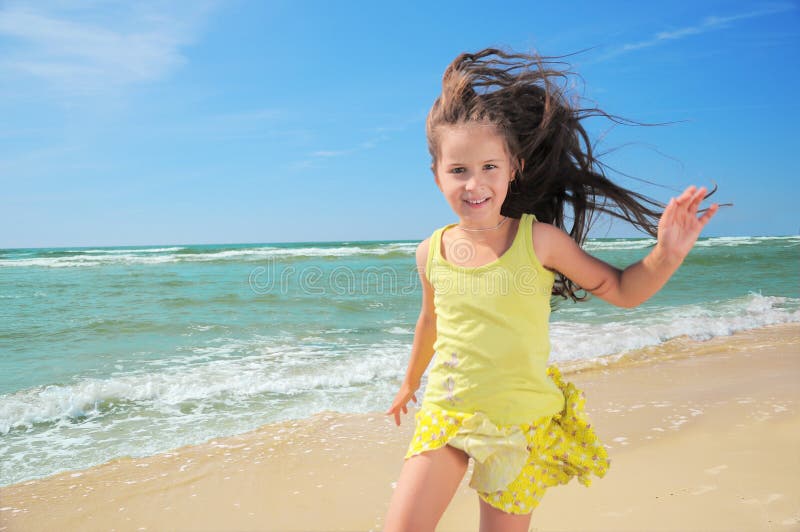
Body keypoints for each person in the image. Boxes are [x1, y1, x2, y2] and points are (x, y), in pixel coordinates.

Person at [382, 48, 720, 532]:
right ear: (436, 174)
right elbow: (431, 322)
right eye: (458, 170)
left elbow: (622, 290)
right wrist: (409, 382)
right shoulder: (429, 251)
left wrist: (666, 255)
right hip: (448, 414)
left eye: (489, 167)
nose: (474, 183)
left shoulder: (538, 241)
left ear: (514, 167)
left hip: (522, 424)